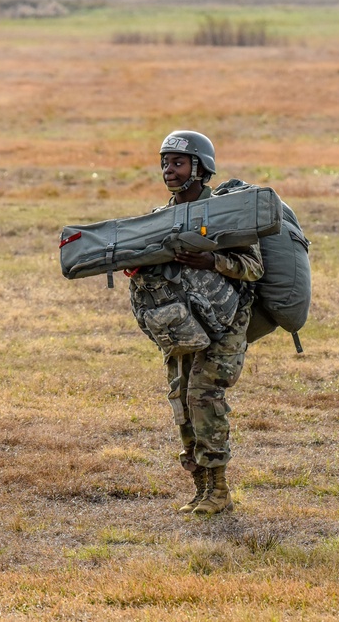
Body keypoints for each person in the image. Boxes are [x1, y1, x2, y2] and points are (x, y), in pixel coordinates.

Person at [127, 130, 263, 514]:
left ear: (200, 169)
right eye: (165, 163)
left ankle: (219, 491)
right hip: (182, 324)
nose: (169, 170)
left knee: (204, 395)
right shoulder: (160, 217)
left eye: (178, 163)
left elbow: (253, 267)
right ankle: (200, 488)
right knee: (182, 398)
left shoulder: (225, 213)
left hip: (226, 323)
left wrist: (213, 260)